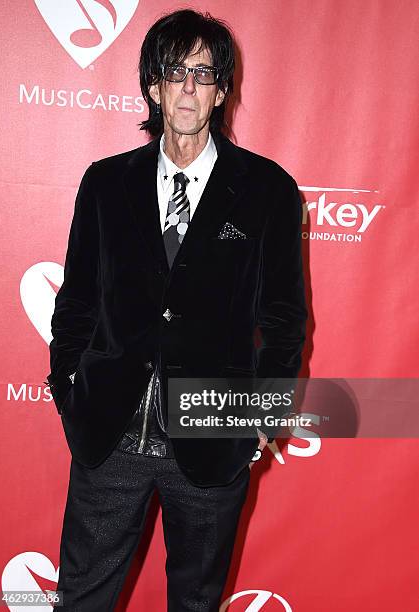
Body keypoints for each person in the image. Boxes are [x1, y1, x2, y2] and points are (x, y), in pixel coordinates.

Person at [47, 8, 307, 611]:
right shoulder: (106, 184)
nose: (188, 87)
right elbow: (78, 300)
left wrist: (261, 417)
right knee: (82, 599)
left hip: (213, 434)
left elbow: (285, 320)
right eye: (174, 72)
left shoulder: (268, 190)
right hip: (110, 435)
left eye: (203, 72)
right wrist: (70, 388)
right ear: (152, 86)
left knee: (196, 602)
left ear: (221, 91)